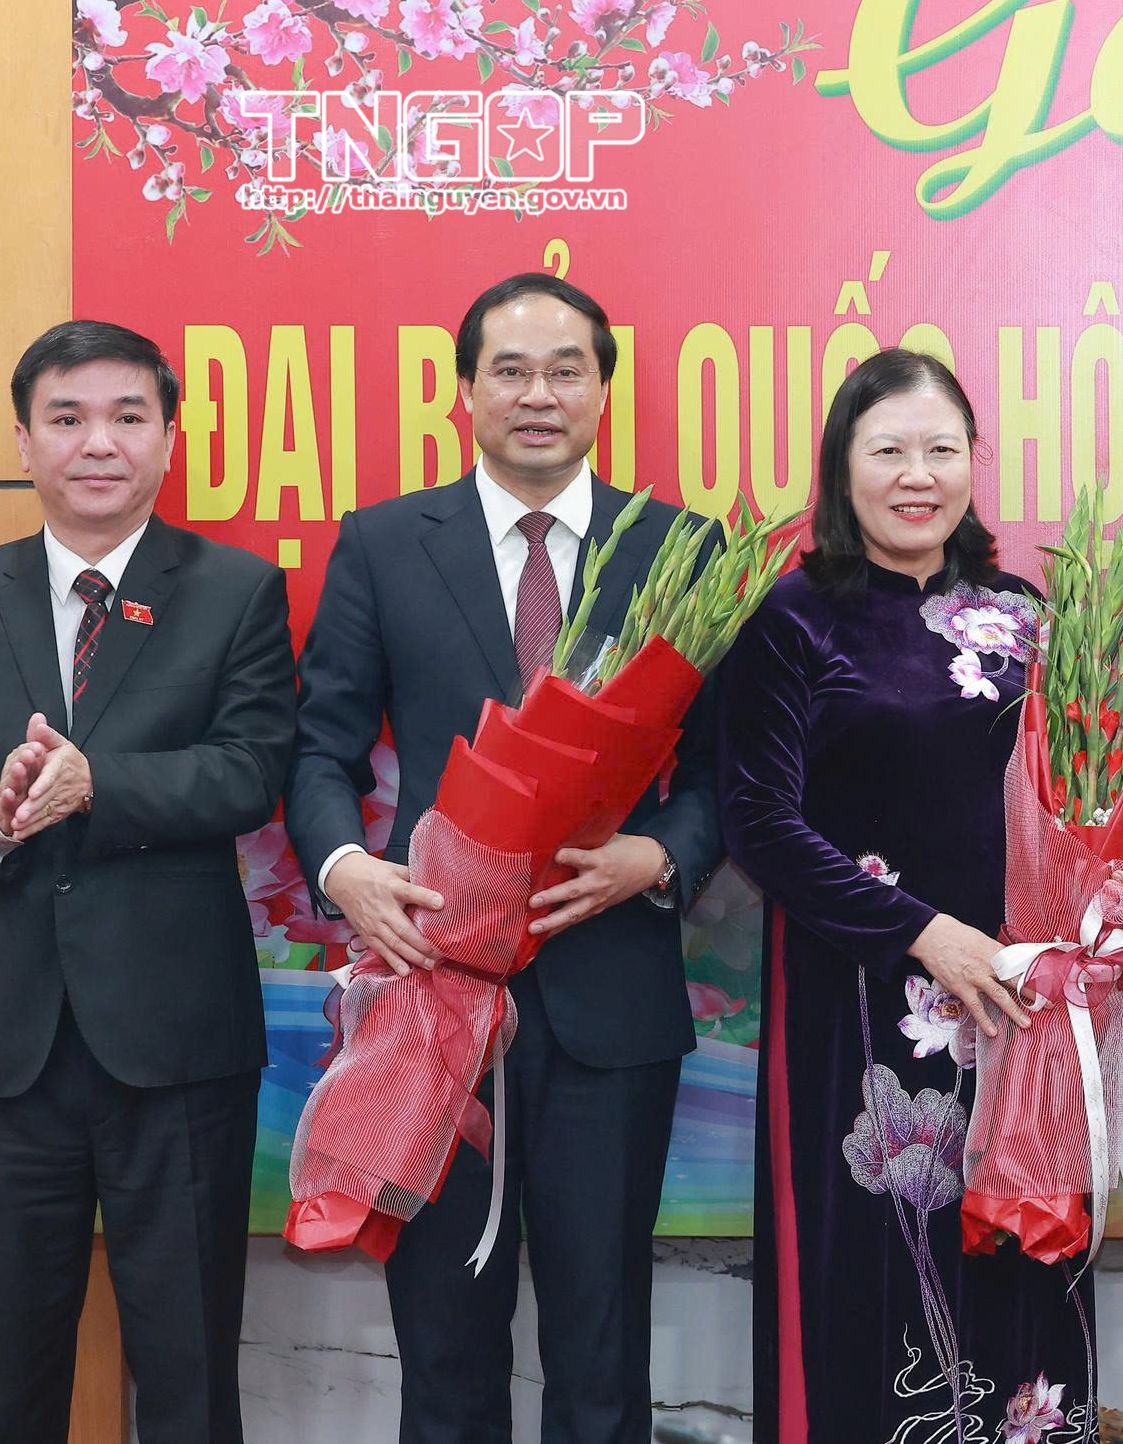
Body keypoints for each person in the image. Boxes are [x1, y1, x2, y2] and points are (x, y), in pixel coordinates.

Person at [714, 347, 1123, 1442]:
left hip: (1026, 1006)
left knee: (1023, 1270)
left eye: (940, 449)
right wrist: (925, 934)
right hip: (867, 1006)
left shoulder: (1025, 612)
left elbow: (1091, 798)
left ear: (973, 462)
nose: (916, 474)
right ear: (841, 466)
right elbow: (759, 824)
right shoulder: (791, 620)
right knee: (879, 1271)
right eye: (888, 449)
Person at [283, 273, 722, 1443]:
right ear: (465, 391)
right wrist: (344, 866)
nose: (539, 393)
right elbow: (320, 745)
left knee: (601, 1350)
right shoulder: (384, 542)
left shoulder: (678, 546)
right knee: (444, 1349)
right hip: (431, 996)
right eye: (511, 370)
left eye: (566, 369)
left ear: (602, 391)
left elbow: (728, 771)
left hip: (608, 995)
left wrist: (658, 853)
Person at [0, 320, 296, 1443]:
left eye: (127, 416)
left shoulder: (237, 590)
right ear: (24, 442)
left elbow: (252, 769)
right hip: (5, 1055)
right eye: (67, 418)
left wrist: (97, 783)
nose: (97, 442)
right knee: (5, 1389)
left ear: (168, 438)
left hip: (180, 1049)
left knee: (190, 1384)